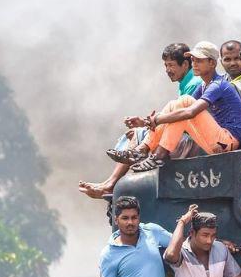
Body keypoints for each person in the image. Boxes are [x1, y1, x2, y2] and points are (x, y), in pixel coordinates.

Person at [79, 42, 201, 199]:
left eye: (171, 65)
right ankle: (110, 182)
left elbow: (182, 120)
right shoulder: (186, 83)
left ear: (185, 64)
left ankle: (111, 183)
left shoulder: (194, 84)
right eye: (165, 65)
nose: (167, 70)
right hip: (181, 133)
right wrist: (145, 123)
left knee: (137, 135)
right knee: (137, 133)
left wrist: (146, 126)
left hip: (190, 139)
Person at [112, 42, 241, 172]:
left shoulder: (218, 85)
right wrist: (148, 122)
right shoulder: (203, 86)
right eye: (193, 60)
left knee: (184, 103)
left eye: (199, 61)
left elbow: (190, 112)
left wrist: (158, 119)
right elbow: (180, 110)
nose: (194, 64)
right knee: (176, 105)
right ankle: (141, 150)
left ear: (212, 63)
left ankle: (157, 157)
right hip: (215, 141)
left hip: (227, 142)